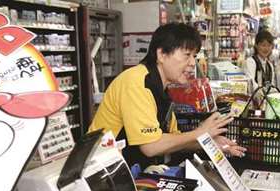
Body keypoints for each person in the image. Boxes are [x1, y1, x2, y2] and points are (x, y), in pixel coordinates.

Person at [89, 23, 245, 168]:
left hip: (130, 170)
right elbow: (150, 146)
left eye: (194, 56)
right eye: (187, 55)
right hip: (103, 173)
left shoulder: (162, 88)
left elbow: (173, 140)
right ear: (162, 54)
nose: (192, 63)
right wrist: (200, 133)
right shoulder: (136, 82)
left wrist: (208, 142)